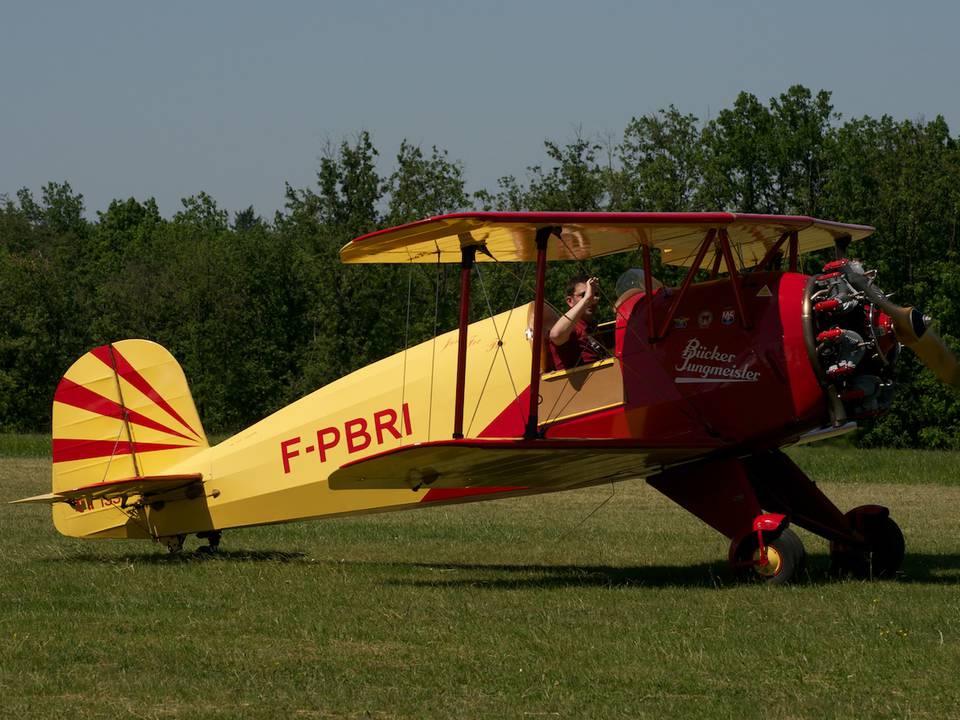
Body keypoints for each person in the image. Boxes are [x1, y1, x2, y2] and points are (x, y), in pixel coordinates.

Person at [548, 275, 606, 370]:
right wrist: (586, 299)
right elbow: (555, 335)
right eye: (584, 295)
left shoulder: (591, 325)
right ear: (570, 301)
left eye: (595, 294)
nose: (592, 299)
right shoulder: (571, 327)